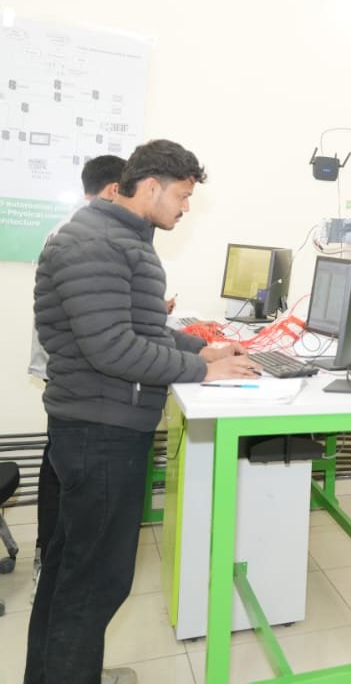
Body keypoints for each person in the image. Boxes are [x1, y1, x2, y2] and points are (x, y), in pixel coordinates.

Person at [27, 140, 259, 684]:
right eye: (182, 196)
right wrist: (203, 372)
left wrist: (202, 351)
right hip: (100, 431)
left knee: (71, 572)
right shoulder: (99, 242)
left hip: (96, 424)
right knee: (94, 583)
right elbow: (112, 349)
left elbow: (141, 330)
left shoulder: (117, 236)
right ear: (151, 186)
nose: (186, 208)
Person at [27, 154, 127, 604]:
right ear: (114, 190)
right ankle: (48, 557)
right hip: (72, 372)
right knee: (60, 471)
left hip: (65, 366)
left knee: (60, 466)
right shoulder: (83, 235)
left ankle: (51, 556)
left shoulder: (75, 229)